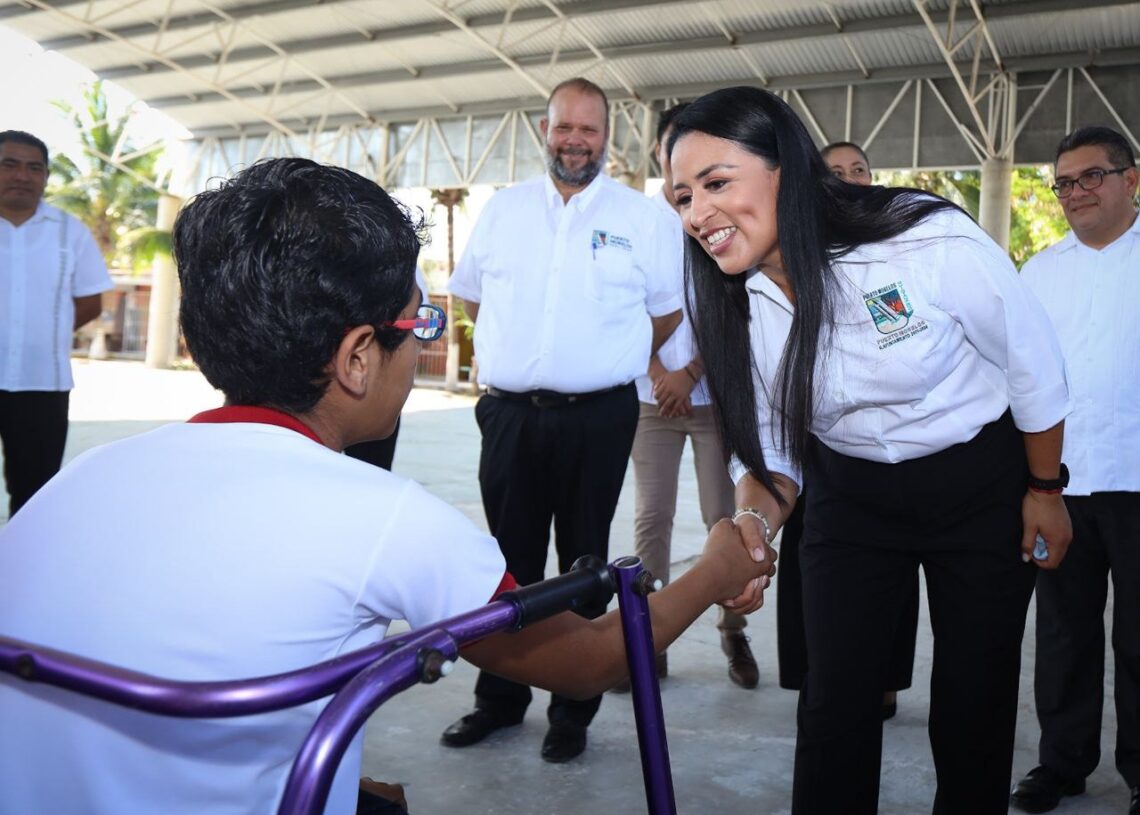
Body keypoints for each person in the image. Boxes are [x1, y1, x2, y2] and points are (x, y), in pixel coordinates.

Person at [0, 157, 774, 815]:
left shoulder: (77, 480)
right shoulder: (384, 516)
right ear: (358, 358)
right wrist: (714, 569)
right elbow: (593, 658)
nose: (422, 343)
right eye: (419, 325)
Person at [667, 85, 1073, 815]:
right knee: (834, 700)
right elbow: (771, 449)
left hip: (976, 482)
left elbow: (1032, 364)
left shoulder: (921, 238)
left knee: (974, 696)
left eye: (716, 183)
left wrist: (1045, 489)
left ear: (785, 170)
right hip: (849, 493)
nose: (697, 214)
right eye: (683, 197)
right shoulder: (732, 298)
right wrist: (752, 527)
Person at [442, 77, 685, 763]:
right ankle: (499, 701)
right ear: (543, 131)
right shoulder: (504, 210)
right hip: (511, 414)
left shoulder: (642, 219)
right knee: (508, 562)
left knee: (583, 559)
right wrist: (526, 357)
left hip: (599, 416)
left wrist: (604, 356)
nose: (575, 141)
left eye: (589, 129)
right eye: (564, 127)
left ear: (608, 137)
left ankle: (572, 708)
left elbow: (666, 312)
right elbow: (473, 299)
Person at [1010, 126, 1140, 815]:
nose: (1075, 191)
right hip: (1059, 485)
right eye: (1064, 182)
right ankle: (1062, 763)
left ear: (1131, 180)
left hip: (1138, 480)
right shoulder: (1038, 274)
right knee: (1063, 632)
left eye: (1092, 176)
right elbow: (1019, 377)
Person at [778, 139, 920, 721]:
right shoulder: (789, 254)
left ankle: (885, 680)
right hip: (813, 441)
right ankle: (816, 678)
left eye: (858, 169)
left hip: (893, 446)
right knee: (812, 566)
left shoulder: (900, 248)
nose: (849, 178)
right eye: (835, 171)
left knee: (894, 569)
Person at [626, 102, 758, 690]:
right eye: (671, 145)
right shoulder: (636, 219)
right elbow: (622, 307)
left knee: (721, 518)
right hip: (650, 400)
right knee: (651, 519)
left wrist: (691, 372)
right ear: (661, 152)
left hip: (710, 401)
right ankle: (647, 641)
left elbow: (734, 306)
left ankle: (734, 630)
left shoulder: (719, 209)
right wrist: (658, 371)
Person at [0, 129, 111, 518]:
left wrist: (44, 333)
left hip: (43, 384)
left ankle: (21, 558)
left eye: (35, 168)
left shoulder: (70, 232)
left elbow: (91, 301)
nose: (22, 176)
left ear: (46, 177)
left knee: (35, 495)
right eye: (9, 164)